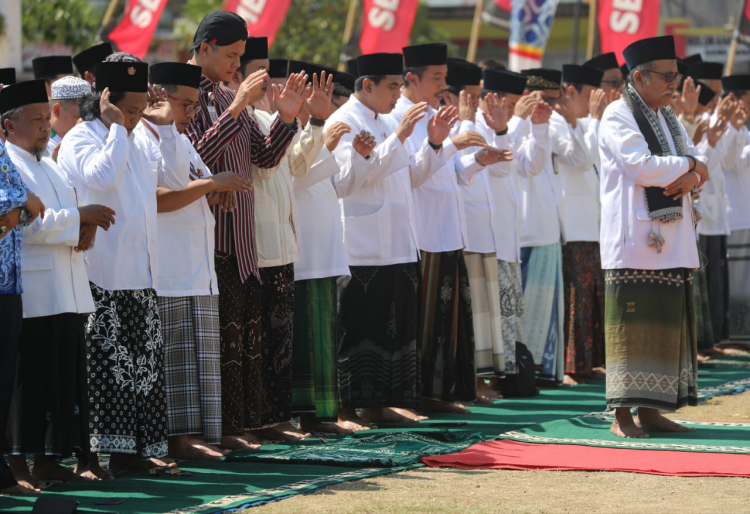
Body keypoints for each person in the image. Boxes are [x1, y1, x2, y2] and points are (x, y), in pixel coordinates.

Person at [184, 10, 302, 449]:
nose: (237, 64)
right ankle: (226, 428)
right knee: (222, 342)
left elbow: (265, 157)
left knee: (246, 339)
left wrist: (287, 118)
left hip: (242, 240)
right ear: (206, 47)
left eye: (240, 57)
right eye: (231, 55)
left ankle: (250, 421)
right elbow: (194, 157)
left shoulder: (225, 94)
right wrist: (236, 107)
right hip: (210, 239)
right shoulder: (184, 96)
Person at [58, 61, 174, 473]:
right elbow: (103, 179)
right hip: (100, 272)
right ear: (106, 102)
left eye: (143, 107)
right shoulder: (81, 138)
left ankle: (134, 456)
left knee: (142, 370)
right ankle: (93, 457)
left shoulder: (140, 135)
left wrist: (145, 127)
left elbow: (156, 185)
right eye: (131, 108)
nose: (138, 115)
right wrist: (116, 129)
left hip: (141, 272)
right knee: (106, 370)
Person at [326, 52, 452, 428]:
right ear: (367, 85)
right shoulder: (344, 120)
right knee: (360, 326)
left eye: (400, 85)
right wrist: (398, 138)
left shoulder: (384, 120)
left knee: (392, 325)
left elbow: (409, 176)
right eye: (393, 86)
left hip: (397, 239)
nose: (399, 93)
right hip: (363, 244)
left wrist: (432, 145)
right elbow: (345, 183)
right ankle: (349, 407)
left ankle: (381, 404)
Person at [135, 62, 254, 459]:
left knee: (198, 357)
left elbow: (195, 183)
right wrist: (210, 185)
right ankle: (177, 440)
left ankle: (195, 436)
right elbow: (157, 198)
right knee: (175, 360)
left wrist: (214, 191)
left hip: (196, 268)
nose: (190, 113)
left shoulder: (180, 138)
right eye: (185, 104)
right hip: (167, 268)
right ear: (163, 97)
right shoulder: (142, 139)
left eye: (193, 104)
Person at [2, 79, 114, 485]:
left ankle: (51, 461)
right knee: (28, 382)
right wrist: (79, 218)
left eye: (44, 119)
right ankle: (18, 463)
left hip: (67, 286)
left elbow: (65, 214)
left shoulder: (48, 161)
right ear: (7, 127)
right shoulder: (8, 166)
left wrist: (86, 226)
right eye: (33, 121)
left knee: (63, 380)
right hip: (33, 290)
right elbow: (27, 226)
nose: (43, 128)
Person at [599, 35, 707, 438]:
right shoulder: (617, 114)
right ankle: (622, 415)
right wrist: (694, 166)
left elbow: (699, 161)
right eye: (667, 75)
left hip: (672, 237)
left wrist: (694, 169)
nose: (674, 83)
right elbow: (641, 166)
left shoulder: (668, 117)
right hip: (635, 239)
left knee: (665, 325)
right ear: (640, 77)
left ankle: (653, 410)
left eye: (676, 75)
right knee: (631, 327)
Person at [291, 69, 376, 434]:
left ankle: (325, 414)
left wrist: (356, 157)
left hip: (324, 248)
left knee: (323, 332)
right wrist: (322, 143)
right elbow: (294, 178)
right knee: (306, 338)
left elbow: (338, 187)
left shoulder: (309, 134)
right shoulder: (292, 134)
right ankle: (309, 416)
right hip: (302, 250)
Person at [440, 60, 515, 402]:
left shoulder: (477, 122)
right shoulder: (446, 123)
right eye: (469, 96)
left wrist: (499, 131)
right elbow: (459, 169)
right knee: (465, 312)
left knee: (483, 311)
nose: (475, 102)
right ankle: (467, 380)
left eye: (476, 95)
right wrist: (468, 122)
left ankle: (480, 379)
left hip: (484, 228)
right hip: (461, 229)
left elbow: (500, 170)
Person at [515, 68, 592, 384]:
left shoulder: (554, 122)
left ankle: (543, 371)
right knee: (520, 305)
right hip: (522, 222)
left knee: (546, 304)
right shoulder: (511, 123)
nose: (545, 105)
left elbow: (582, 159)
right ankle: (519, 371)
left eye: (551, 99)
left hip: (548, 220)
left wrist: (569, 118)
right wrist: (527, 122)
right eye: (539, 99)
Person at [0, 104, 45, 496]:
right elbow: (17, 201)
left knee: (3, 377)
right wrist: (20, 203)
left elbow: (30, 207)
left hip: (9, 281)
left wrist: (21, 205)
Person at [482, 69, 537, 386]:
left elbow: (529, 164)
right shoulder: (480, 124)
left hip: (508, 227)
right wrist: (510, 124)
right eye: (513, 103)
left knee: (509, 309)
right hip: (487, 232)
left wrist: (529, 125)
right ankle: (491, 377)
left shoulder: (514, 124)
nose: (520, 109)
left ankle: (509, 373)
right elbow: (501, 165)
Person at [558, 64, 607, 384]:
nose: (593, 103)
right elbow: (581, 159)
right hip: (571, 223)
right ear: (570, 92)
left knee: (593, 296)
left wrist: (592, 121)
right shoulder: (556, 122)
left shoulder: (583, 123)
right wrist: (595, 120)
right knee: (576, 297)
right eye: (589, 96)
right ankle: (571, 364)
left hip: (593, 221)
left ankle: (589, 362)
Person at [47, 76, 92, 158]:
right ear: (57, 111)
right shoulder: (41, 148)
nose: (83, 123)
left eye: (88, 118)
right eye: (78, 116)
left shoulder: (92, 141)